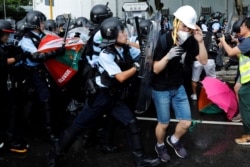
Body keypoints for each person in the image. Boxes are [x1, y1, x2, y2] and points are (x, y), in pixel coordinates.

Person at [47, 17, 161, 167]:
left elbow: (142, 53)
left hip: (115, 97)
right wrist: (136, 67)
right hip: (101, 97)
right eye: (122, 32)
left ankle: (140, 160)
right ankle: (54, 155)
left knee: (132, 123)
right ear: (113, 36)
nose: (125, 34)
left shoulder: (125, 48)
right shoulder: (106, 54)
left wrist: (146, 53)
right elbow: (120, 77)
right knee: (78, 126)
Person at [152, 5, 207, 162]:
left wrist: (200, 41)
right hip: (161, 87)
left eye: (189, 28)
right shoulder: (164, 40)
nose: (187, 30)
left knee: (186, 122)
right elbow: (155, 69)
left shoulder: (189, 40)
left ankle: (174, 140)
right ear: (176, 22)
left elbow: (203, 60)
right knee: (163, 124)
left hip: (178, 86)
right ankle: (160, 145)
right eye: (184, 26)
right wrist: (167, 57)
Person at [18, 11, 65, 143]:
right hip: (34, 73)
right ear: (36, 24)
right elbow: (36, 56)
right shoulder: (27, 39)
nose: (44, 24)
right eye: (42, 22)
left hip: (47, 71)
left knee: (50, 98)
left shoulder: (44, 36)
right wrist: (55, 52)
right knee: (44, 99)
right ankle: (48, 132)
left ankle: (43, 126)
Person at [219, 17, 250, 144]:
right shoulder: (245, 42)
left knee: (246, 108)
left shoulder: (248, 41)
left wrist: (223, 41)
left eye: (241, 26)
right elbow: (239, 55)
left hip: (248, 81)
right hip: (246, 79)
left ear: (247, 27)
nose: (238, 28)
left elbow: (231, 52)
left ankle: (248, 136)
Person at [0, 19, 29, 153]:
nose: (8, 36)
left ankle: (8, 138)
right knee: (10, 110)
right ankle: (9, 142)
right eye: (5, 34)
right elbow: (4, 62)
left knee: (10, 110)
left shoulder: (3, 45)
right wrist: (20, 57)